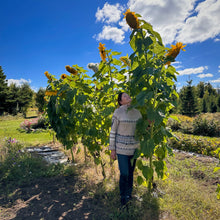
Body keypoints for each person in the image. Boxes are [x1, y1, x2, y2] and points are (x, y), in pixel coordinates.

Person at [109, 92, 142, 206]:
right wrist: (112, 149)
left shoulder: (137, 112)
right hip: (121, 148)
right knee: (124, 173)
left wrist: (148, 124)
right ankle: (123, 197)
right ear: (120, 101)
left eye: (128, 95)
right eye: (124, 96)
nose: (128, 96)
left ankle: (129, 194)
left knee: (131, 172)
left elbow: (140, 128)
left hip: (134, 147)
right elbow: (113, 131)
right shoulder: (118, 112)